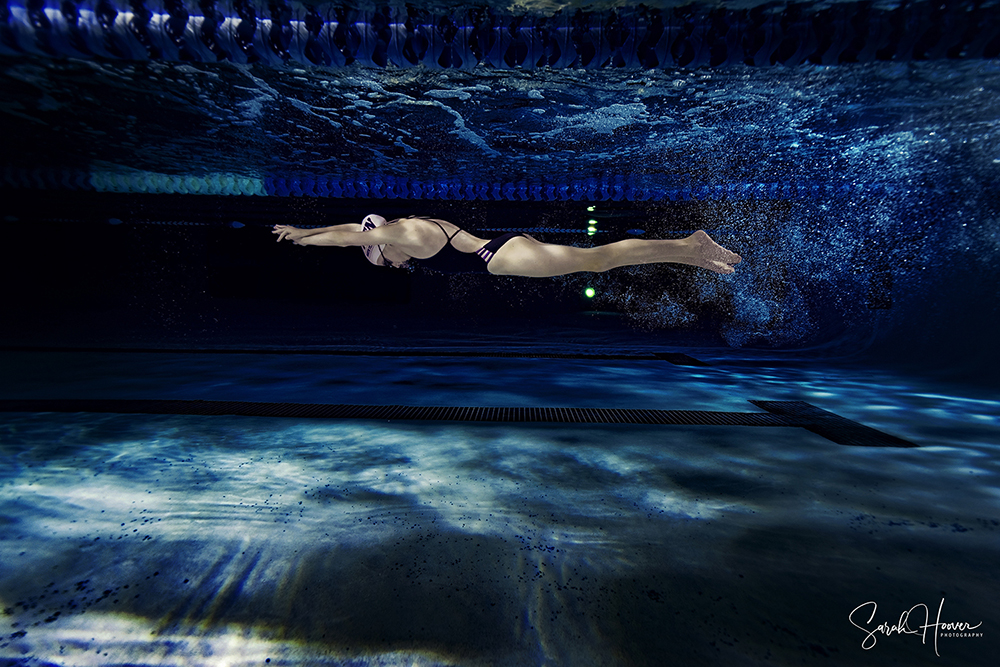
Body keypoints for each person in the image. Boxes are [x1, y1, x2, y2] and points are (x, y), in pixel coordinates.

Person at [272, 215, 741, 277]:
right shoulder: (403, 233)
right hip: (502, 251)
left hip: (500, 255)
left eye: (380, 257)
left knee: (599, 261)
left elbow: (351, 235)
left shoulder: (406, 234)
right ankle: (689, 252)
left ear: (384, 239)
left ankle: (689, 245)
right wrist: (305, 231)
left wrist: (301, 237)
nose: (389, 263)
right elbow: (353, 228)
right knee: (598, 262)